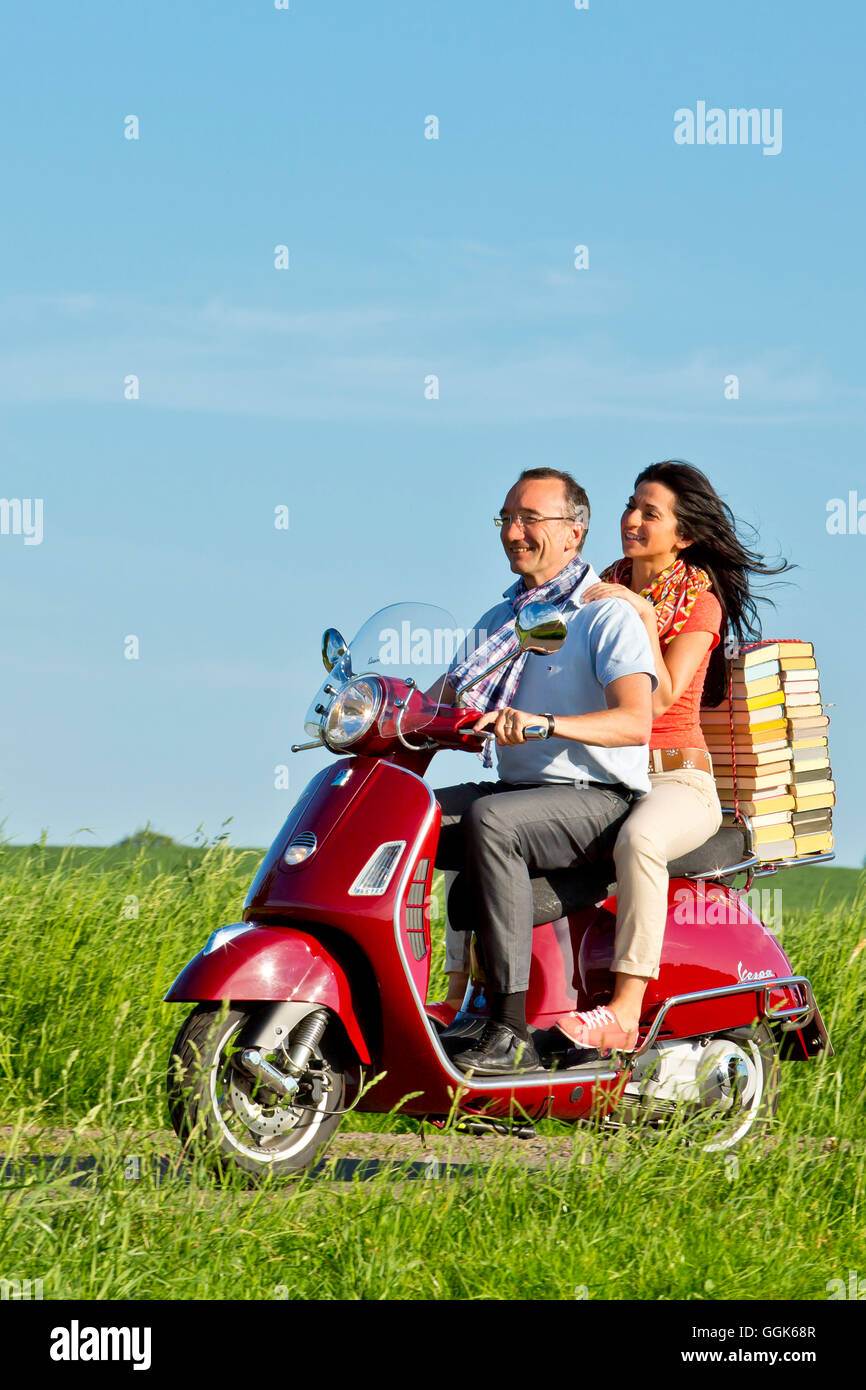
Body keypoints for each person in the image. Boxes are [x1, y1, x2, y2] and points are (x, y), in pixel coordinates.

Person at [554, 459, 790, 1051]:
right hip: (604, 772)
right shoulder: (601, 581)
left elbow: (658, 700)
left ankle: (624, 1011)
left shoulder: (698, 601)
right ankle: (468, 1001)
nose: (631, 519)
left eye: (649, 513)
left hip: (676, 780)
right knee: (491, 823)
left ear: (682, 535)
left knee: (641, 842)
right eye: (631, 505)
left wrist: (638, 614)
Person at [434, 467, 657, 1076]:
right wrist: (377, 720)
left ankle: (508, 1032)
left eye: (531, 518)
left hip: (598, 800)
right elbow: (443, 700)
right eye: (507, 518)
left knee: (491, 820)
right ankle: (445, 1002)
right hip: (521, 795)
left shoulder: (603, 617)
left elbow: (636, 721)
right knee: (414, 818)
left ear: (574, 534)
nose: (514, 531)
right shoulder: (500, 622)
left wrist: (546, 723)